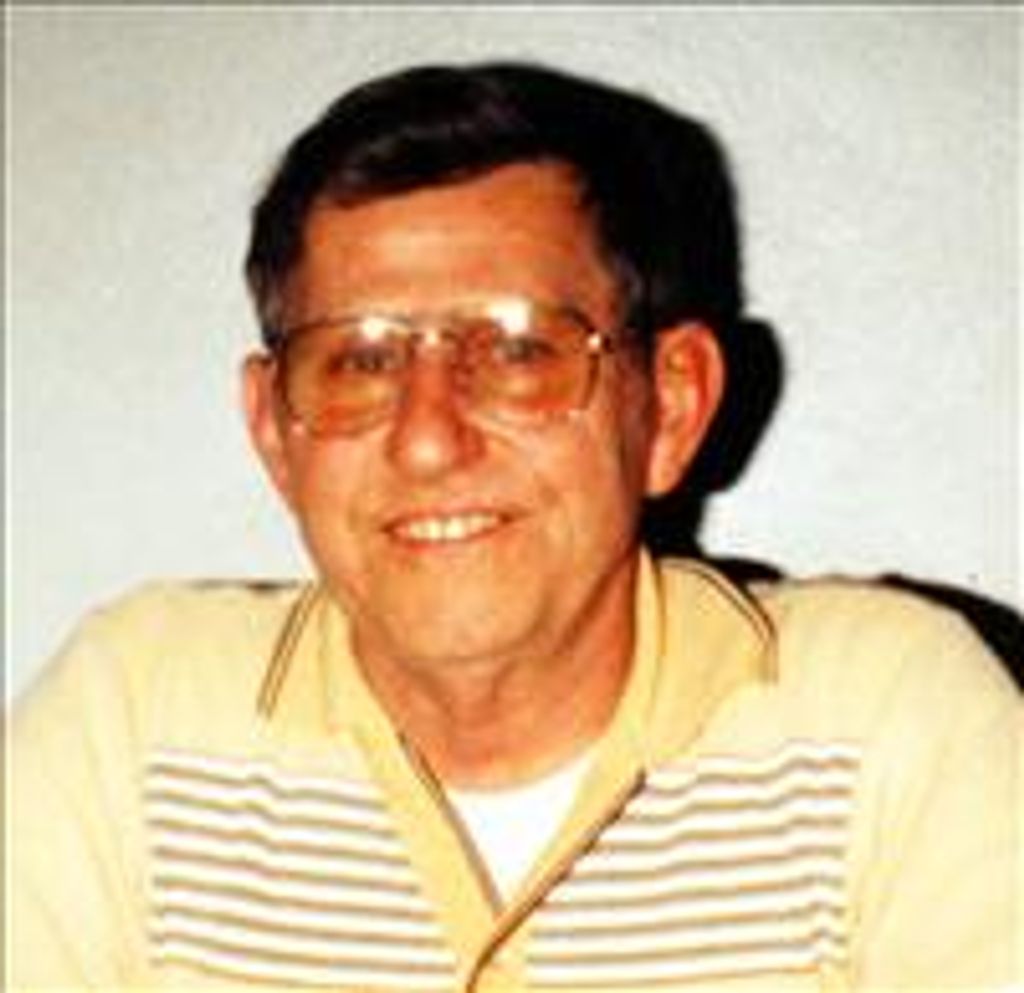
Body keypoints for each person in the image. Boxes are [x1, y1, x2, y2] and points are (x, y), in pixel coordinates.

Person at [9, 61, 1019, 992]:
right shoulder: (133, 728)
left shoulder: (889, 725)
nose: (427, 440)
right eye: (361, 361)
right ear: (276, 434)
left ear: (670, 408)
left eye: (517, 351)